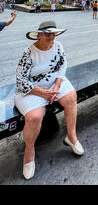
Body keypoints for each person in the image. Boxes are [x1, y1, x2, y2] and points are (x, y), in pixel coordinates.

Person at [15, 21, 84, 180]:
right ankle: (29, 152)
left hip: (54, 83)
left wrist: (57, 86)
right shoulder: (29, 53)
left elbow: (62, 65)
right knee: (35, 116)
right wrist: (43, 93)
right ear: (38, 35)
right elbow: (20, 80)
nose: (51, 36)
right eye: (47, 34)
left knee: (71, 97)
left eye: (53, 33)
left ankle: (71, 137)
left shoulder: (58, 46)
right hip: (32, 89)